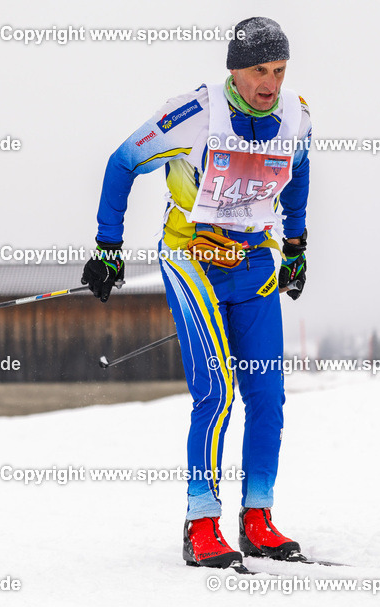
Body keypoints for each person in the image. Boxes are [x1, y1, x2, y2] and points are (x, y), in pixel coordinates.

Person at [82, 17, 312, 568]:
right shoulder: (195, 113)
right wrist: (107, 247)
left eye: (279, 70)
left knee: (268, 395)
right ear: (234, 68)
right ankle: (200, 522)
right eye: (260, 70)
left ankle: (257, 518)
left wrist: (298, 244)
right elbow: (122, 163)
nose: (270, 83)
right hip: (192, 256)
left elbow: (300, 172)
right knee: (217, 392)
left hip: (254, 259)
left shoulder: (296, 117)